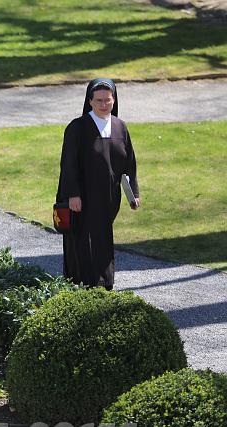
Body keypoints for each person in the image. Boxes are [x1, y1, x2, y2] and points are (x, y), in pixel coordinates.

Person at [56, 78, 140, 290]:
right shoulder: (78, 127)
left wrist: (134, 194)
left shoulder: (120, 127)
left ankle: (104, 283)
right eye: (99, 100)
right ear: (90, 101)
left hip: (108, 197)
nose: (104, 104)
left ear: (114, 100)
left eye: (108, 100)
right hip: (82, 197)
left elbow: (129, 164)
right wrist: (73, 194)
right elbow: (69, 164)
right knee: (82, 241)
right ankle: (80, 284)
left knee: (103, 239)